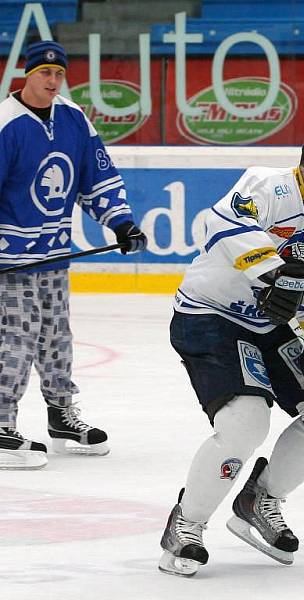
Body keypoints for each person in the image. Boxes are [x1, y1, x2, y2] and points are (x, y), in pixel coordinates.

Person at [159, 125, 304, 577]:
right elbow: (222, 223)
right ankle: (185, 526)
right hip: (211, 317)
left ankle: (260, 499)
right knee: (246, 423)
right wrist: (272, 274)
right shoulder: (267, 185)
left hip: (272, 329)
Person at [0, 40, 148, 470]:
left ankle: (61, 415)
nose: (52, 81)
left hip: (53, 255)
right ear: (27, 75)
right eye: (44, 73)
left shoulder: (72, 119)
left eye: (59, 74)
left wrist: (121, 222)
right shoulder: (7, 123)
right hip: (11, 260)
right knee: (17, 339)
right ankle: (2, 423)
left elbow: (96, 176)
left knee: (56, 338)